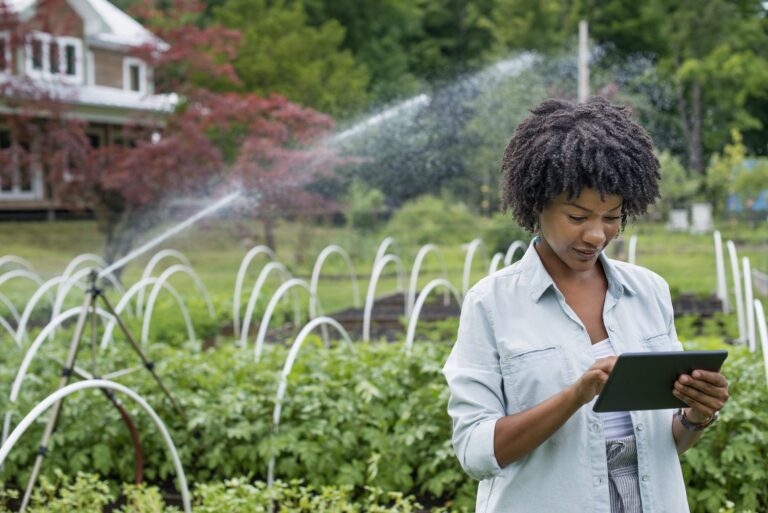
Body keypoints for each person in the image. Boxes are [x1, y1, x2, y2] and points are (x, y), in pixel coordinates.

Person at [443, 97, 730, 513]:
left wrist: (696, 414)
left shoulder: (648, 292)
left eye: (612, 217)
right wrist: (575, 395)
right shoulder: (491, 305)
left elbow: (665, 444)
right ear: (537, 204)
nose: (597, 234)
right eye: (578, 217)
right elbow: (474, 451)